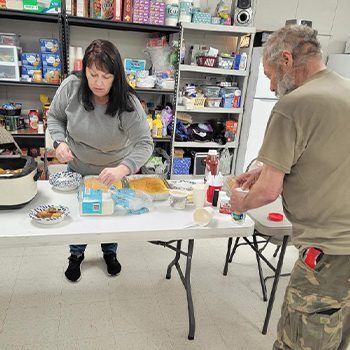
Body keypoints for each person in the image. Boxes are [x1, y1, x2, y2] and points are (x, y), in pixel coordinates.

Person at [230, 25, 350, 350]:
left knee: (301, 340)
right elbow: (327, 158)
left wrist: (238, 203)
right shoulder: (345, 89)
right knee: (338, 337)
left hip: (328, 252)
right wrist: (269, 172)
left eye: (270, 75)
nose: (270, 86)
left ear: (286, 59)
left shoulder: (293, 104)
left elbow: (268, 192)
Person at [47, 39, 154, 283]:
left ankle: (110, 253)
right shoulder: (72, 87)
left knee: (109, 213)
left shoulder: (128, 104)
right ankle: (76, 255)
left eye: (106, 77)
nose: (98, 83)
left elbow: (145, 143)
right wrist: (59, 142)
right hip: (78, 168)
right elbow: (54, 117)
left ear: (116, 76)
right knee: (79, 216)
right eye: (93, 74)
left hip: (112, 171)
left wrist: (122, 169)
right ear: (84, 70)